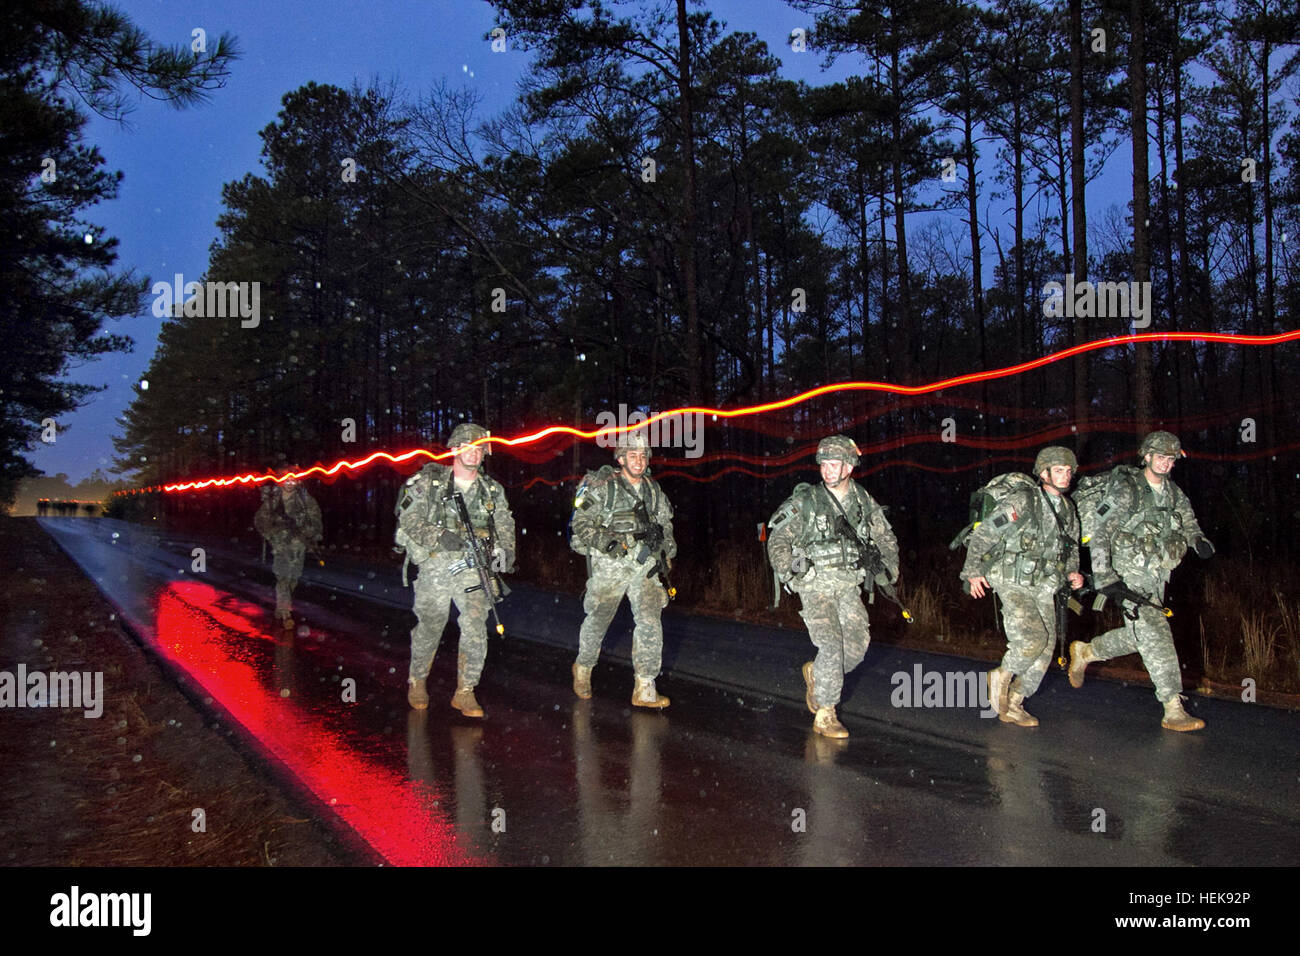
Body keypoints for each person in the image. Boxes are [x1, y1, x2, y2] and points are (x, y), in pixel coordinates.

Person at [1067, 431, 1212, 731]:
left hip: (1158, 574)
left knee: (1140, 635)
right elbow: (1100, 533)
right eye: (1160, 456)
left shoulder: (1173, 493)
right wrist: (1105, 575)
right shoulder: (1126, 489)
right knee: (1156, 630)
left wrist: (1198, 540)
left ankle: (1086, 651)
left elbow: (1188, 521)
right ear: (1146, 456)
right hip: (1127, 575)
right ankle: (1172, 707)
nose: (1165, 463)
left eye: (1171, 459)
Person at [766, 435, 899, 739]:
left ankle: (817, 673)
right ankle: (826, 712)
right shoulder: (807, 500)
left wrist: (888, 569)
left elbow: (886, 538)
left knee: (857, 646)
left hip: (848, 586)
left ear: (849, 467)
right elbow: (778, 538)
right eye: (824, 464)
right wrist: (789, 570)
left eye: (834, 464)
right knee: (830, 645)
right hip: (815, 586)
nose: (827, 470)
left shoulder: (863, 501)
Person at [396, 423, 515, 718]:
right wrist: (437, 535)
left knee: (475, 625)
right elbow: (408, 519)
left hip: (474, 567)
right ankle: (418, 679)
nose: (473, 454)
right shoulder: (428, 482)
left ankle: (465, 691)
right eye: (467, 447)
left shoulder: (491, 489)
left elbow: (504, 522)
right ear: (454, 448)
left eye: (479, 449)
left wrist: (506, 550)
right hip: (436, 563)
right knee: (431, 625)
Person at [961, 446, 1084, 727]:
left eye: (1068, 471)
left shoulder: (1068, 509)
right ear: (1044, 473)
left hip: (1044, 584)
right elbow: (986, 534)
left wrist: (1074, 572)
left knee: (1047, 645)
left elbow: (1071, 547)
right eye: (1059, 471)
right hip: (1011, 579)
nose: (1065, 476)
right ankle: (1001, 676)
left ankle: (1015, 700)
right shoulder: (1023, 500)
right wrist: (973, 571)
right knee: (1032, 640)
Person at [570, 430, 676, 708]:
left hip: (645, 566)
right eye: (632, 455)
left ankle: (645, 686)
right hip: (611, 565)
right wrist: (607, 543)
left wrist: (666, 550)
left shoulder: (654, 490)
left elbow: (666, 525)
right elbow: (580, 524)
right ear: (620, 459)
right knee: (599, 619)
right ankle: (583, 666)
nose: (639, 460)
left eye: (643, 455)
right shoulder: (604, 487)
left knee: (651, 622)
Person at [254, 473, 323, 630]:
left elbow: (316, 518)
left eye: (293, 480)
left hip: (299, 546)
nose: (290, 483)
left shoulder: (306, 500)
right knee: (283, 577)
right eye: (287, 480)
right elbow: (260, 520)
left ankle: (281, 606)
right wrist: (272, 534)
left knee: (293, 579)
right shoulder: (273, 501)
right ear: (281, 482)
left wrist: (312, 533)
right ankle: (286, 613)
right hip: (280, 546)